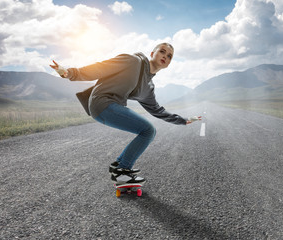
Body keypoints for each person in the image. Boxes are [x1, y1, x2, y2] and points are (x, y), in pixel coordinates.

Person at [50, 43, 201, 185]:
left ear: (169, 64)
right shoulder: (133, 61)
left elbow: (157, 110)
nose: (165, 56)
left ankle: (119, 166)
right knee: (148, 130)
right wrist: (70, 73)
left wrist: (183, 120)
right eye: (162, 51)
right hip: (102, 102)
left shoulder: (148, 86)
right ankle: (122, 172)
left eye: (169, 56)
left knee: (147, 130)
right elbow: (100, 68)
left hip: (111, 107)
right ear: (152, 53)